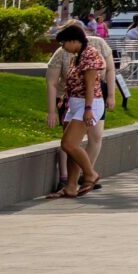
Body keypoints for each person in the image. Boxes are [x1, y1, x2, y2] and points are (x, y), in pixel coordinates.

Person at [45, 23, 106, 198]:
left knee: (68, 144)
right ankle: (70, 187)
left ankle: (90, 174)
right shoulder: (77, 56)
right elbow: (73, 82)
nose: (62, 47)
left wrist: (88, 109)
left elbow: (90, 85)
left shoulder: (90, 55)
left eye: (64, 43)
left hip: (89, 103)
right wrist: (65, 99)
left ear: (74, 40)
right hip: (75, 103)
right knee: (72, 146)